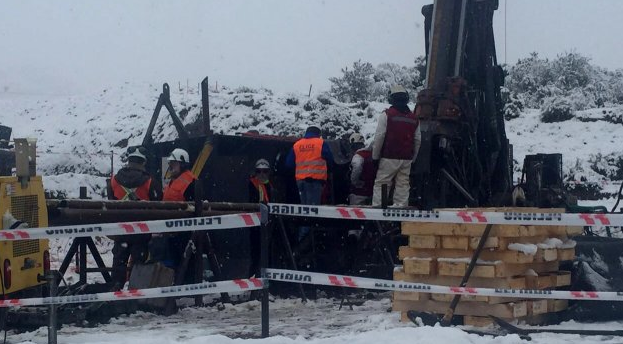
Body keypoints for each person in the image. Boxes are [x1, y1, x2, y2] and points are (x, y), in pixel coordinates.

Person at [109, 146, 161, 289]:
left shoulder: (114, 181)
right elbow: (158, 205)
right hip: (141, 230)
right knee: (139, 264)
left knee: (119, 263)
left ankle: (116, 291)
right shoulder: (150, 182)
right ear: (143, 162)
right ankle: (137, 294)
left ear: (128, 161)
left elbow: (110, 203)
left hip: (121, 230)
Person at [371, 85, 421, 207]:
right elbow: (417, 140)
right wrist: (413, 158)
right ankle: (400, 208)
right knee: (403, 184)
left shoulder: (387, 115)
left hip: (389, 156)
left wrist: (375, 156)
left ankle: (378, 210)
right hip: (406, 158)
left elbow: (380, 136)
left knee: (383, 182)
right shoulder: (414, 118)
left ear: (391, 99)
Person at [286, 125, 333, 240]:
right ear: (318, 134)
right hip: (314, 183)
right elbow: (331, 160)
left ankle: (302, 239)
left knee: (304, 211)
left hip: (300, 182)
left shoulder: (297, 145)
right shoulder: (321, 143)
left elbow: (288, 164)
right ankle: (305, 242)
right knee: (312, 213)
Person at [348, 133, 375, 205]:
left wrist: (355, 182)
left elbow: (357, 167)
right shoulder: (371, 154)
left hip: (359, 193)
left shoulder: (358, 155)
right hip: (372, 192)